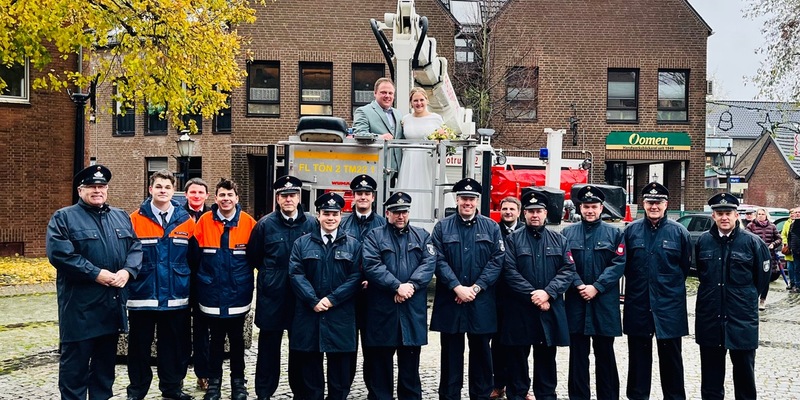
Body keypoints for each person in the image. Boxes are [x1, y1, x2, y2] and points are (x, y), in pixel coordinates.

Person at [46, 165, 143, 400]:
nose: (97, 191)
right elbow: (60, 254)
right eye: (92, 187)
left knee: (104, 374)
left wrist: (128, 271)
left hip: (110, 310)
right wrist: (95, 273)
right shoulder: (64, 217)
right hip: (79, 311)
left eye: (101, 187)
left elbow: (135, 247)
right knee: (74, 374)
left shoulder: (119, 216)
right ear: (81, 190)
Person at [430, 178, 504, 400]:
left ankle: (480, 395)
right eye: (463, 198)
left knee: (481, 353)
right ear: (457, 199)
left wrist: (476, 288)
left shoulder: (491, 227)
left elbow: (497, 260)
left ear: (477, 201)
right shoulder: (443, 227)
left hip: (480, 301)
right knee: (451, 354)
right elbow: (437, 260)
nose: (467, 203)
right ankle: (450, 396)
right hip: (451, 300)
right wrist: (457, 287)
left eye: (471, 199)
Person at [126, 170, 195, 400]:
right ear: (150, 189)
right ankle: (137, 390)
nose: (163, 191)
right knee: (138, 349)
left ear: (172, 190)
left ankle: (172, 388)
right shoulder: (134, 219)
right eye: (158, 187)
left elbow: (194, 258)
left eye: (167, 187)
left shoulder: (186, 220)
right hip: (143, 294)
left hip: (176, 296)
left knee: (173, 347)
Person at [695, 192, 771, 400]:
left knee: (745, 374)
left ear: (737, 215)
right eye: (719, 214)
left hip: (741, 319)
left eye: (728, 213)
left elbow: (762, 279)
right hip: (711, 318)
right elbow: (701, 274)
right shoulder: (703, 242)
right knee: (711, 377)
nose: (724, 217)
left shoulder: (753, 243)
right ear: (713, 216)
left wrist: (743, 298)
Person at [361, 192, 436, 400]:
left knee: (410, 369)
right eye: (396, 212)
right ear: (387, 213)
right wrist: (396, 286)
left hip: (411, 311)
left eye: (404, 212)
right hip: (382, 310)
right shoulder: (374, 236)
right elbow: (371, 265)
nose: (400, 216)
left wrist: (409, 286)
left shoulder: (422, 236)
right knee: (380, 367)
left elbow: (428, 264)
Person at [248, 175, 317, 400]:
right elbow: (254, 257)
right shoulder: (265, 225)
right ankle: (264, 393)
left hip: (301, 297)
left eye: (292, 195)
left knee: (300, 348)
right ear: (277, 199)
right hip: (272, 296)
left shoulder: (311, 223)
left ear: (299, 197)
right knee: (268, 349)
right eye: (284, 196)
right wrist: (272, 278)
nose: (288, 199)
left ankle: (301, 392)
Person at [288, 192, 363, 400]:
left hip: (340, 315)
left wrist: (332, 299)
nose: (331, 218)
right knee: (310, 375)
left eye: (335, 214)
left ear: (341, 215)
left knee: (340, 377)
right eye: (326, 214)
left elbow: (356, 278)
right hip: (309, 313)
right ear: (318, 215)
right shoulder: (302, 244)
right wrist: (313, 300)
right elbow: (296, 274)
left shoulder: (353, 245)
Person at [501, 190, 575, 400]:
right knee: (517, 359)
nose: (535, 215)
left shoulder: (559, 240)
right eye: (531, 211)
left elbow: (568, 270)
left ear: (545, 213)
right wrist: (534, 295)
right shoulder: (513, 240)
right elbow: (509, 271)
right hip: (520, 309)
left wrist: (548, 293)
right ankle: (517, 394)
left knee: (546, 358)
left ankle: (546, 395)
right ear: (524, 214)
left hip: (547, 309)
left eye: (539, 211)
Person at [622, 182, 692, 400]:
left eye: (658, 202)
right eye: (650, 202)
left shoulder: (679, 232)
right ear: (643, 204)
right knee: (638, 361)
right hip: (639, 305)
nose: (654, 206)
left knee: (671, 360)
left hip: (669, 307)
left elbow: (684, 267)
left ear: (666, 204)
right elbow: (624, 266)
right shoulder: (631, 231)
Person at [189, 178, 257, 400]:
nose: (226, 199)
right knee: (215, 340)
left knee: (237, 340)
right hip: (211, 293)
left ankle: (239, 383)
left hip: (238, 293)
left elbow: (255, 258)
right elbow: (194, 257)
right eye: (222, 195)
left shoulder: (249, 223)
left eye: (230, 195)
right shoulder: (204, 222)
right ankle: (213, 383)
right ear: (215, 198)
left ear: (237, 198)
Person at [562, 186, 626, 400]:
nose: (590, 210)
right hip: (577, 303)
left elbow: (619, 264)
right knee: (578, 357)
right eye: (586, 207)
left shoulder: (615, 233)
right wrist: (580, 285)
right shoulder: (567, 233)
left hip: (603, 304)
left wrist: (596, 286)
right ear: (580, 208)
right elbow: (565, 263)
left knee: (605, 356)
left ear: (601, 208)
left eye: (594, 207)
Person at [338, 174, 387, 393]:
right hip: (348, 295)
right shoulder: (343, 223)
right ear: (353, 196)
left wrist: (373, 280)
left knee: (374, 347)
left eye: (367, 194)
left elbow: (387, 260)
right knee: (346, 347)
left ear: (373, 197)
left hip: (374, 295)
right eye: (359, 193)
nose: (363, 197)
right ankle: (342, 390)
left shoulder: (383, 225)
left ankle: (375, 392)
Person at [396, 87, 445, 231]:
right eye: (415, 100)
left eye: (421, 100)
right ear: (411, 103)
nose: (419, 103)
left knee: (429, 191)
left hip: (427, 160)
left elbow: (442, 141)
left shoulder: (436, 118)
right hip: (409, 161)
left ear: (427, 100)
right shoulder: (405, 119)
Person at [490, 196, 522, 400]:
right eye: (505, 209)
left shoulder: (526, 232)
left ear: (519, 212)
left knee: (520, 345)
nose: (508, 212)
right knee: (498, 343)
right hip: (497, 296)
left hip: (519, 297)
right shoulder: (494, 231)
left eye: (512, 209)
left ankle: (519, 386)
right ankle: (498, 384)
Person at [183, 177, 213, 391]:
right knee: (180, 331)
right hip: (182, 280)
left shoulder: (213, 216)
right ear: (186, 195)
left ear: (206, 195)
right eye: (192, 192)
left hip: (205, 280)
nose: (196, 196)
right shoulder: (177, 215)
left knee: (203, 332)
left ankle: (203, 374)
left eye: (200, 192)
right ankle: (177, 376)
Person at [352, 77, 404, 175]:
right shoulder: (363, 111)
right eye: (383, 92)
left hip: (397, 173)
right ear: (375, 93)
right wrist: (380, 138)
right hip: (375, 171)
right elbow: (359, 135)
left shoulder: (398, 114)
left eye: (390, 93)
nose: (387, 96)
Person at [746, 207, 781, 310]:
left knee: (766, 279)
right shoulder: (751, 225)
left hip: (768, 257)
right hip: (754, 256)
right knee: (753, 278)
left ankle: (763, 300)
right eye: (759, 214)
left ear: (766, 215)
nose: (760, 216)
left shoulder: (772, 226)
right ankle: (753, 299)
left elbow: (779, 238)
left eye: (762, 214)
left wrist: (773, 244)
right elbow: (746, 238)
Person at [782, 208, 798, 292]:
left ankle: (796, 284)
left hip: (796, 248)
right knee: (790, 268)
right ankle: (791, 283)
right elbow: (783, 234)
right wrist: (785, 243)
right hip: (789, 248)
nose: (792, 214)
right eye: (791, 213)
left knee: (796, 267)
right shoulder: (787, 223)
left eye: (794, 213)